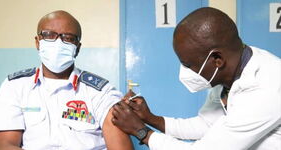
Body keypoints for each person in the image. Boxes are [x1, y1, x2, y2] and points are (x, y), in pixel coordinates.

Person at [111, 7, 281, 150]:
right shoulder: (229, 73)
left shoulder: (267, 85)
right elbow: (206, 124)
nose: (184, 72)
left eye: (188, 64)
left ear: (217, 60)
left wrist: (142, 132)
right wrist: (150, 118)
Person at [0, 10, 133, 150]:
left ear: (77, 48)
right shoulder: (15, 86)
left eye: (68, 38)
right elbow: (5, 145)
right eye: (48, 35)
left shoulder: (101, 91)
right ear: (38, 42)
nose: (58, 43)